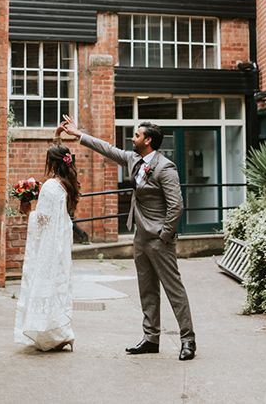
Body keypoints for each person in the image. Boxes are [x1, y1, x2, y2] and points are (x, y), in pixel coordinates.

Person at [57, 115, 196, 361]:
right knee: (147, 290)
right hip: (140, 237)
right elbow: (107, 149)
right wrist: (79, 134)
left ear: (148, 140)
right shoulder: (134, 159)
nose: (133, 138)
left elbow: (176, 206)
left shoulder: (166, 168)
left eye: (137, 135)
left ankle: (188, 340)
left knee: (174, 289)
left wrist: (164, 235)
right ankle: (151, 338)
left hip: (159, 239)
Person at [14, 144, 80, 352]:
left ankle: (53, 334)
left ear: (52, 163)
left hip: (49, 246)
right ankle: (61, 332)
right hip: (61, 242)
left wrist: (27, 211)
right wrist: (58, 136)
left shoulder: (51, 186)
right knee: (57, 285)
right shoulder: (66, 185)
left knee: (44, 284)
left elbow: (42, 221)